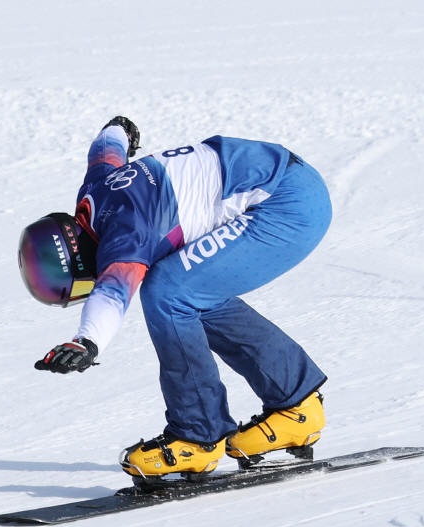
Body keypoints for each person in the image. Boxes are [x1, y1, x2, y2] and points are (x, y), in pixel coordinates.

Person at [17, 116, 332, 479]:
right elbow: (106, 150)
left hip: (286, 205)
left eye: (61, 283)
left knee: (168, 292)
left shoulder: (126, 234)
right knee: (191, 288)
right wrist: (119, 129)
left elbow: (114, 291)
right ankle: (297, 404)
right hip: (283, 177)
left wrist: (87, 341)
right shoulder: (95, 191)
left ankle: (198, 436)